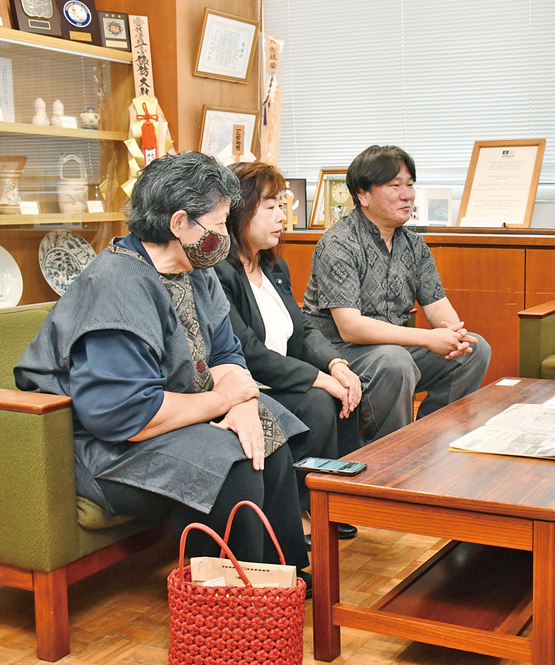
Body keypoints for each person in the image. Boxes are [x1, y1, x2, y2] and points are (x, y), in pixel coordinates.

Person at [14, 152, 313, 591]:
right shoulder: (116, 286)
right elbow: (125, 416)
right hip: (106, 449)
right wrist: (225, 400)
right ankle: (228, 607)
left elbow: (228, 352)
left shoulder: (197, 268)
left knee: (267, 437)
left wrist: (245, 405)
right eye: (217, 224)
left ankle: (282, 581)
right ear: (179, 224)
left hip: (176, 420)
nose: (224, 236)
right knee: (233, 466)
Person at [303, 145, 491, 443]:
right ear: (363, 195)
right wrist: (429, 338)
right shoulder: (338, 244)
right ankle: (391, 453)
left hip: (390, 347)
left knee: (475, 349)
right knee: (395, 362)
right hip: (338, 352)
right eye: (394, 186)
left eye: (410, 185)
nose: (407, 195)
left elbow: (438, 306)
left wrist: (453, 335)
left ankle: (430, 438)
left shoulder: (414, 245)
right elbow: (351, 328)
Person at [217, 161, 362, 539]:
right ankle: (299, 510)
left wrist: (336, 365)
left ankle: (333, 500)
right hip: (248, 387)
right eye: (270, 207)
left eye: (282, 205)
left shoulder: (273, 268)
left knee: (346, 389)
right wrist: (319, 380)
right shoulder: (220, 274)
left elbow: (303, 330)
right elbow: (246, 350)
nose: (282, 216)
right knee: (318, 402)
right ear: (237, 210)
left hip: (281, 379)